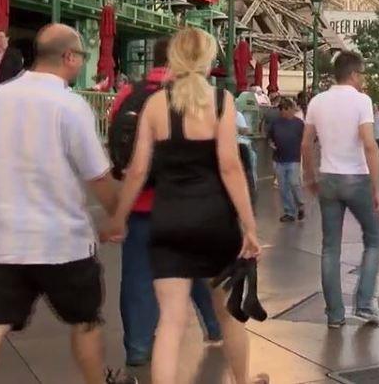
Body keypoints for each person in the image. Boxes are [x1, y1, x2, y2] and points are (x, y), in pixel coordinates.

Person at [0, 25, 135, 384]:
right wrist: (117, 217)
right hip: (64, 244)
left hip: (6, 244)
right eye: (82, 56)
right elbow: (97, 177)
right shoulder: (70, 105)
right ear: (69, 57)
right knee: (85, 323)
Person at [110, 27, 264, 384]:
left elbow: (136, 171)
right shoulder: (222, 102)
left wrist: (118, 218)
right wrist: (250, 225)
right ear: (208, 60)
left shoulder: (155, 105)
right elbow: (229, 166)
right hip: (215, 221)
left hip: (168, 220)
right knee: (228, 315)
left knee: (171, 323)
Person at [108, 37, 222, 367]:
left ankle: (139, 348)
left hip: (141, 205)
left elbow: (119, 147)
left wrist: (119, 209)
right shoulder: (196, 96)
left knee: (137, 277)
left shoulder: (128, 94)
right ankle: (215, 327)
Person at [302, 51, 379, 327]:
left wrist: (310, 176)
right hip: (356, 178)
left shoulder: (317, 101)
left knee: (330, 248)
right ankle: (363, 303)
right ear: (354, 74)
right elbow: (369, 144)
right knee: (373, 240)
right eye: (362, 74)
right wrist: (376, 187)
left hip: (328, 178)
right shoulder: (362, 101)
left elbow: (306, 144)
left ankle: (335, 314)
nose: (363, 79)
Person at [268, 98, 306, 222]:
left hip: (293, 158)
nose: (282, 112)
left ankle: (301, 205)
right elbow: (269, 137)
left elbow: (308, 138)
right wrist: (271, 144)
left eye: (285, 109)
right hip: (279, 159)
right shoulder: (276, 123)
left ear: (290, 109)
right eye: (281, 110)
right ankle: (289, 211)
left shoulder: (299, 124)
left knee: (294, 183)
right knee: (283, 187)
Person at [235, 108, 258, 205]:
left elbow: (245, 130)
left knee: (249, 173)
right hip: (237, 145)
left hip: (240, 146)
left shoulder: (238, 115)